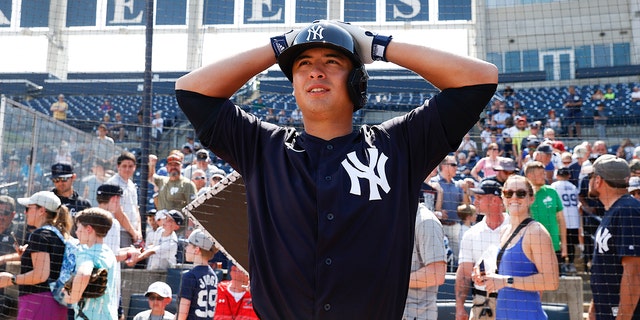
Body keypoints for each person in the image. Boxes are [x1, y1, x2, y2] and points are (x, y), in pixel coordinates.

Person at [175, 19, 497, 318]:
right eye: (303, 64)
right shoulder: (262, 147)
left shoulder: (400, 146)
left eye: (332, 61)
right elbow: (191, 90)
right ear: (294, 86)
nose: (316, 71)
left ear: (357, 82)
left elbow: (479, 79)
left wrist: (380, 47)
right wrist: (278, 46)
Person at [478, 175, 559, 319]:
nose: (514, 197)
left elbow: (551, 281)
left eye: (520, 193)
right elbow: (507, 272)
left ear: (531, 198)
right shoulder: (504, 231)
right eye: (509, 193)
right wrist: (486, 276)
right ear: (503, 197)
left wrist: (505, 281)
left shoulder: (536, 231)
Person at [0, 191, 72, 319]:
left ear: (41, 211)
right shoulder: (56, 234)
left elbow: (40, 275)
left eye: (28, 208)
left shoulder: (39, 235)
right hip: (54, 303)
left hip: (38, 302)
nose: (25, 212)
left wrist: (11, 279)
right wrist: (27, 256)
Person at [586, 155, 640, 319]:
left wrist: (623, 317)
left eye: (591, 176)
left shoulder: (627, 211)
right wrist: (594, 309)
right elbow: (605, 266)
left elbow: (634, 272)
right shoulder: (615, 211)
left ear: (598, 181)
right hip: (607, 311)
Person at [456, 180, 509, 320]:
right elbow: (463, 274)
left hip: (513, 301)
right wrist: (460, 307)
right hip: (482, 302)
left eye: (479, 197)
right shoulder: (471, 234)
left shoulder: (517, 227)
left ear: (495, 200)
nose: (475, 201)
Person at [64, 208, 117, 319]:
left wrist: (72, 297)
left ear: (88, 229)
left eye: (78, 228)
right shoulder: (109, 253)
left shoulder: (87, 253)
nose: (76, 232)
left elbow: (84, 274)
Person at [403, 203, 446, 320]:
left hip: (415, 315)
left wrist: (391, 282)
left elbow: (436, 274)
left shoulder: (426, 221)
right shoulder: (391, 217)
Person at [524, 161, 568, 270]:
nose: (544, 176)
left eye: (544, 173)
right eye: (540, 174)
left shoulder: (552, 191)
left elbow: (561, 220)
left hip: (553, 245)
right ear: (530, 176)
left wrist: (564, 244)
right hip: (529, 248)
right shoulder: (521, 195)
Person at [432, 155, 470, 269]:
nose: (457, 167)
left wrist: (466, 191)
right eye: (453, 164)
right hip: (438, 227)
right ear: (443, 166)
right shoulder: (433, 183)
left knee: (458, 259)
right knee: (438, 259)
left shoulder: (458, 185)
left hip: (455, 227)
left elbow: (466, 206)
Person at [178, 229, 219, 320]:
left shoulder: (190, 276)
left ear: (196, 250)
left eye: (188, 245)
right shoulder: (214, 276)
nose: (185, 248)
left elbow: (182, 315)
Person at [106, 152, 143, 248]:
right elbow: (118, 212)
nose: (127, 169)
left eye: (130, 166)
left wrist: (138, 231)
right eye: (124, 166)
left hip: (133, 232)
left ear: (135, 167)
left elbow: (136, 209)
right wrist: (134, 232)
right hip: (119, 231)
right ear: (118, 167)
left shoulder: (131, 184)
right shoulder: (113, 183)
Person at [550, 167, 581, 274]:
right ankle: (571, 263)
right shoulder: (573, 187)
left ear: (557, 176)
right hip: (574, 219)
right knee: (571, 243)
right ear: (568, 176)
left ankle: (562, 263)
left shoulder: (554, 186)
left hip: (561, 218)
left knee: (561, 242)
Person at [0, 196, 26, 317]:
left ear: (13, 214)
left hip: (11, 289)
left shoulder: (20, 230)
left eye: (5, 213)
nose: (2, 217)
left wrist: (4, 259)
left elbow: (28, 254)